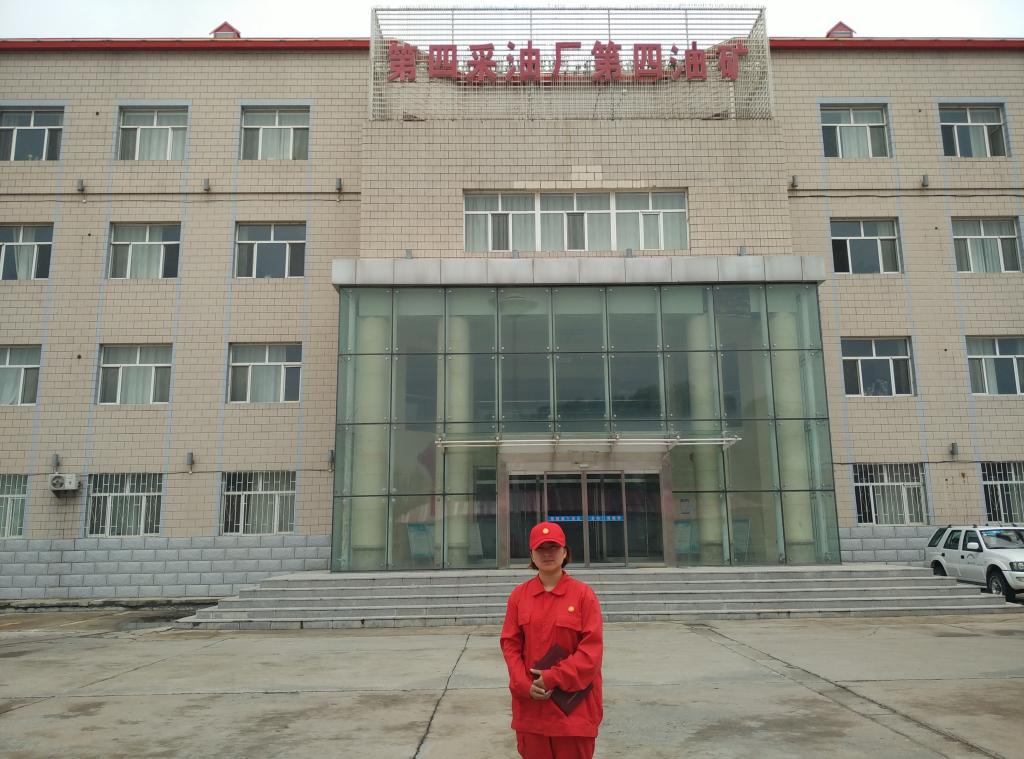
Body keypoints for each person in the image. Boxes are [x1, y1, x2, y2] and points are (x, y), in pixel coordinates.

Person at [500, 521, 604, 759]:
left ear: (565, 552)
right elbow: (510, 645)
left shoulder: (583, 595)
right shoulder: (519, 596)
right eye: (541, 549)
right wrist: (523, 685)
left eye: (554, 547)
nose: (547, 554)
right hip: (532, 709)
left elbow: (591, 652)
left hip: (573, 712)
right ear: (531, 555)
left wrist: (552, 678)